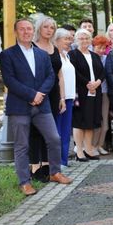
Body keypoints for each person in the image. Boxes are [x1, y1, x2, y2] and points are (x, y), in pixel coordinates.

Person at [0, 19, 72, 196]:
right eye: (22, 29)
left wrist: (40, 94)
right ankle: (25, 182)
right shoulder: (7, 54)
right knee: (22, 145)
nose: (26, 32)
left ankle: (55, 172)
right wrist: (31, 95)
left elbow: (50, 76)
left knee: (54, 138)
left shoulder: (41, 54)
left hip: (42, 105)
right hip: (19, 106)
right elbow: (9, 80)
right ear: (16, 32)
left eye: (29, 29)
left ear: (33, 31)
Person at [29, 15, 65, 182]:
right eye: (46, 27)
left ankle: (46, 164)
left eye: (52, 27)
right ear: (39, 28)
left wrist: (62, 98)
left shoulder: (55, 48)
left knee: (50, 132)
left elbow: (60, 74)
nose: (49, 30)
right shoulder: (32, 47)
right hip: (37, 94)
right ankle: (34, 166)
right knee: (36, 131)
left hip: (54, 94)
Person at [69, 28, 104, 161]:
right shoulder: (73, 54)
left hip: (95, 92)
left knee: (91, 121)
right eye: (81, 38)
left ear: (90, 40)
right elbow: (75, 72)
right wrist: (88, 83)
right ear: (76, 40)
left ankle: (88, 149)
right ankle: (79, 151)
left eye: (87, 38)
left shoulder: (94, 55)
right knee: (79, 121)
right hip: (81, 91)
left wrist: (98, 82)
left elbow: (102, 72)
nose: (84, 41)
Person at [54, 28, 76, 166]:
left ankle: (64, 160)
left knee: (66, 131)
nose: (70, 41)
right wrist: (61, 97)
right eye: (66, 39)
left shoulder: (66, 55)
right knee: (58, 131)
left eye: (70, 38)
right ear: (57, 40)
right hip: (59, 98)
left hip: (69, 97)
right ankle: (57, 162)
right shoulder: (54, 55)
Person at [91, 36, 111, 156]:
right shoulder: (89, 57)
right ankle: (91, 146)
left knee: (105, 123)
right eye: (99, 47)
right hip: (91, 92)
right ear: (94, 46)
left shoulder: (106, 58)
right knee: (94, 121)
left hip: (104, 92)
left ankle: (99, 145)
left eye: (104, 48)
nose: (101, 50)